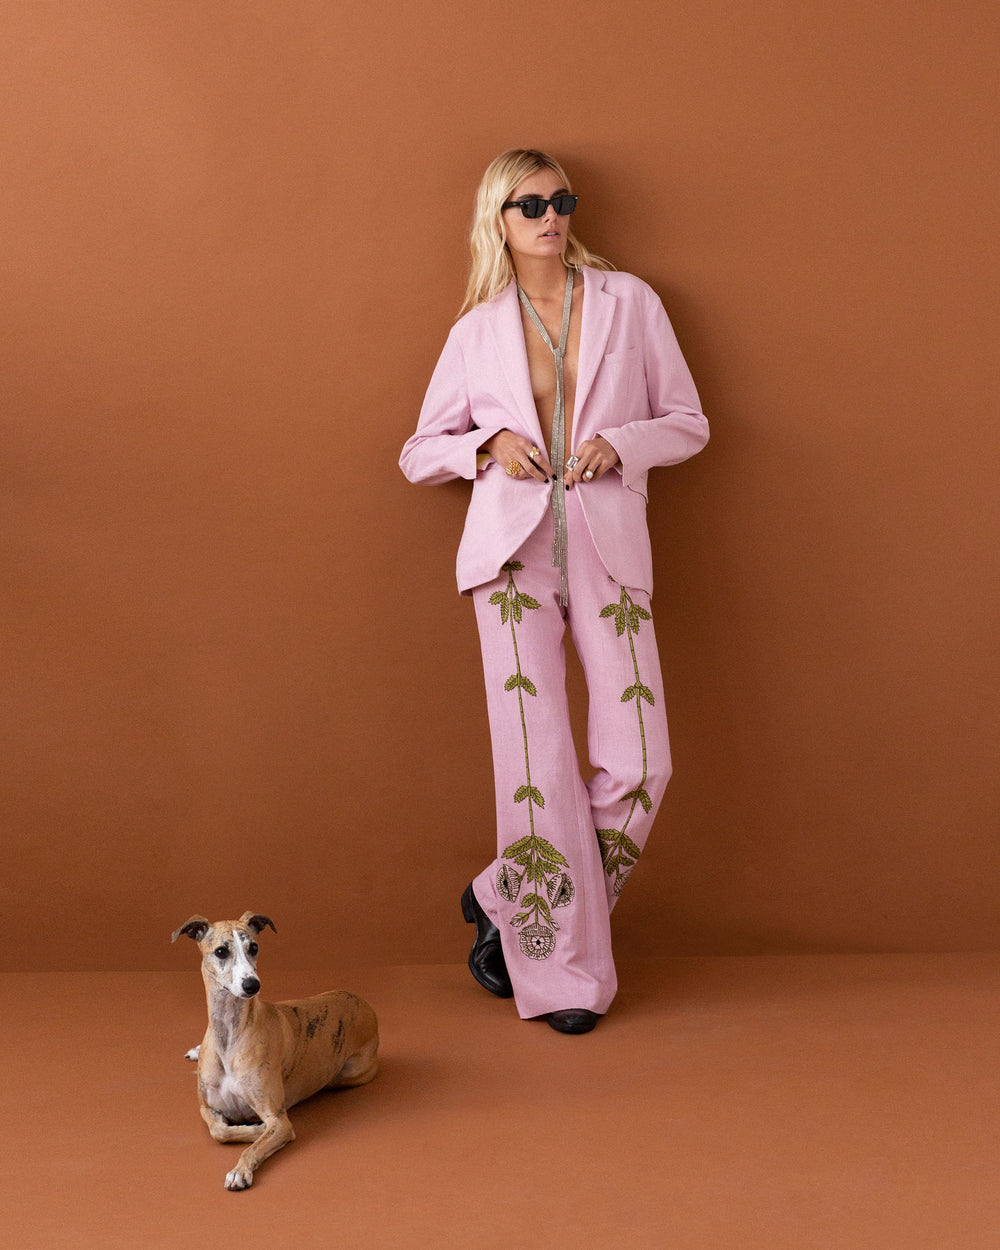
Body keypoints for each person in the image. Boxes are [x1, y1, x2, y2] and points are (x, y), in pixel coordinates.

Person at [399, 148, 709, 1034]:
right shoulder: (478, 331)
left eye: (561, 200)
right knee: (537, 773)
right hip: (511, 563)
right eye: (529, 203)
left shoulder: (630, 304)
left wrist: (625, 442)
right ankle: (561, 973)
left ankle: (506, 893)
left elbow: (689, 421)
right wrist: (487, 442)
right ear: (498, 218)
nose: (549, 216)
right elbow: (421, 451)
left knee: (642, 761)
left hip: (610, 553)